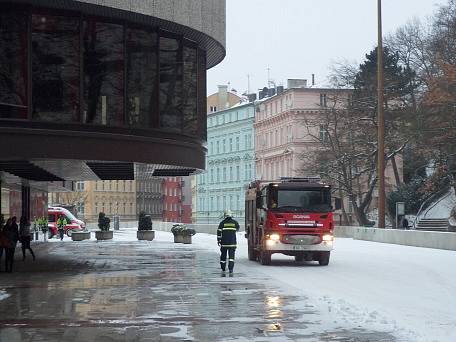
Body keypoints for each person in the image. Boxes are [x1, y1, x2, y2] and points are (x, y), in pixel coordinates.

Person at [217, 210, 240, 274]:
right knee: (231, 257)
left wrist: (218, 240)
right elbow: (237, 228)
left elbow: (219, 232)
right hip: (232, 243)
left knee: (223, 256)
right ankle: (231, 269)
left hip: (224, 243)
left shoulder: (222, 223)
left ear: (225, 215)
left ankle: (223, 268)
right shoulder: (235, 223)